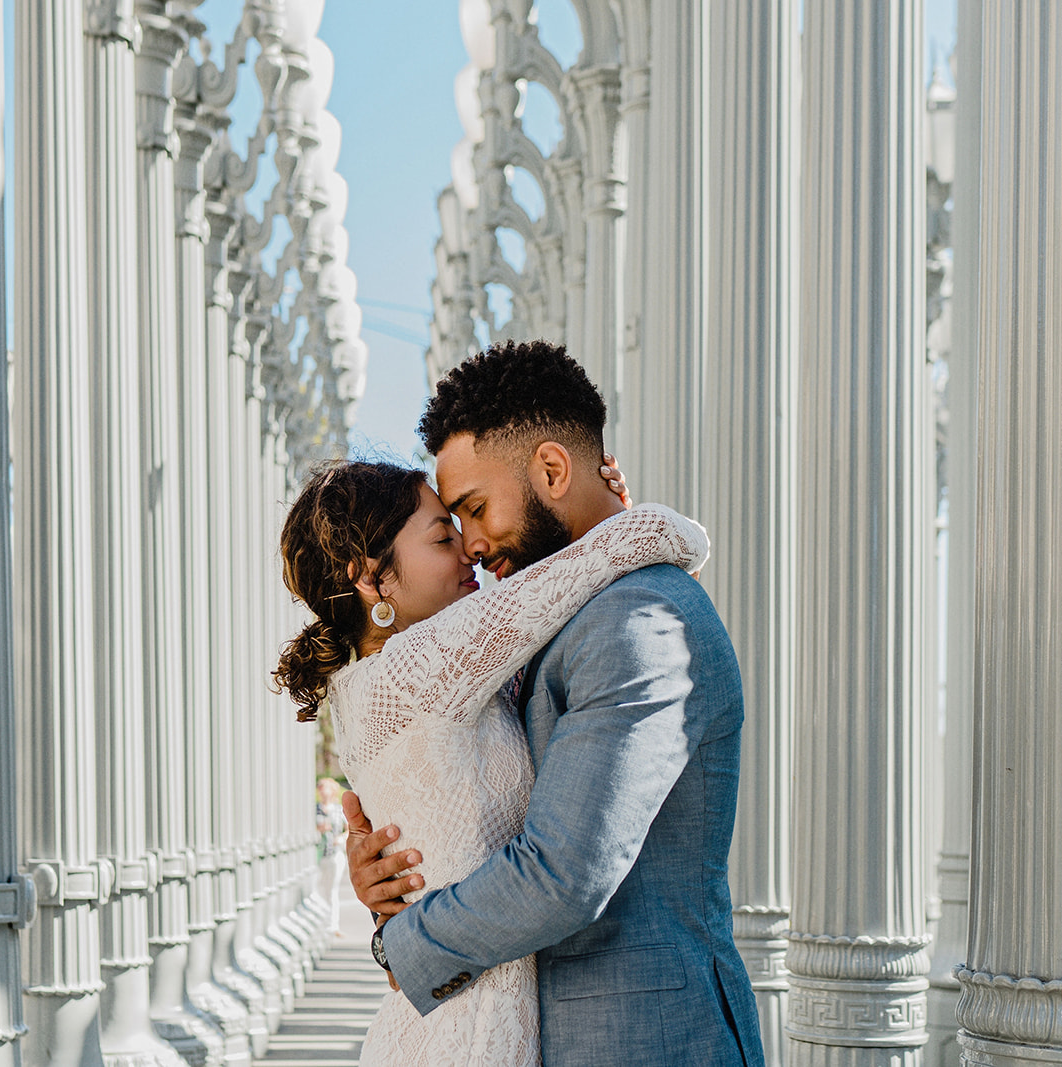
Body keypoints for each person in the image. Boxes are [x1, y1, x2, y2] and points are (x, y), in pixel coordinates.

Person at [344, 339, 767, 1067]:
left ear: (550, 469)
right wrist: (395, 860)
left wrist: (403, 941)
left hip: (648, 1043)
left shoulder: (639, 622)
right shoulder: (569, 619)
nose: (471, 546)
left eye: (473, 510)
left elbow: (563, 873)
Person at [274, 452, 707, 1066]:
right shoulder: (422, 667)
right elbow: (658, 538)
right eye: (444, 536)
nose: (469, 551)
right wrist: (611, 518)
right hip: (471, 1033)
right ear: (371, 578)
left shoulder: (378, 684)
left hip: (456, 1015)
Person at [315, 777, 348, 936]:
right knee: (319, 889)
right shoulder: (314, 809)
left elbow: (349, 830)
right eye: (320, 788)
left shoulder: (339, 810)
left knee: (332, 889)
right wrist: (318, 829)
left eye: (325, 788)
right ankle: (321, 923)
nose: (322, 791)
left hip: (335, 853)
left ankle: (333, 924)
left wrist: (340, 839)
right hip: (319, 854)